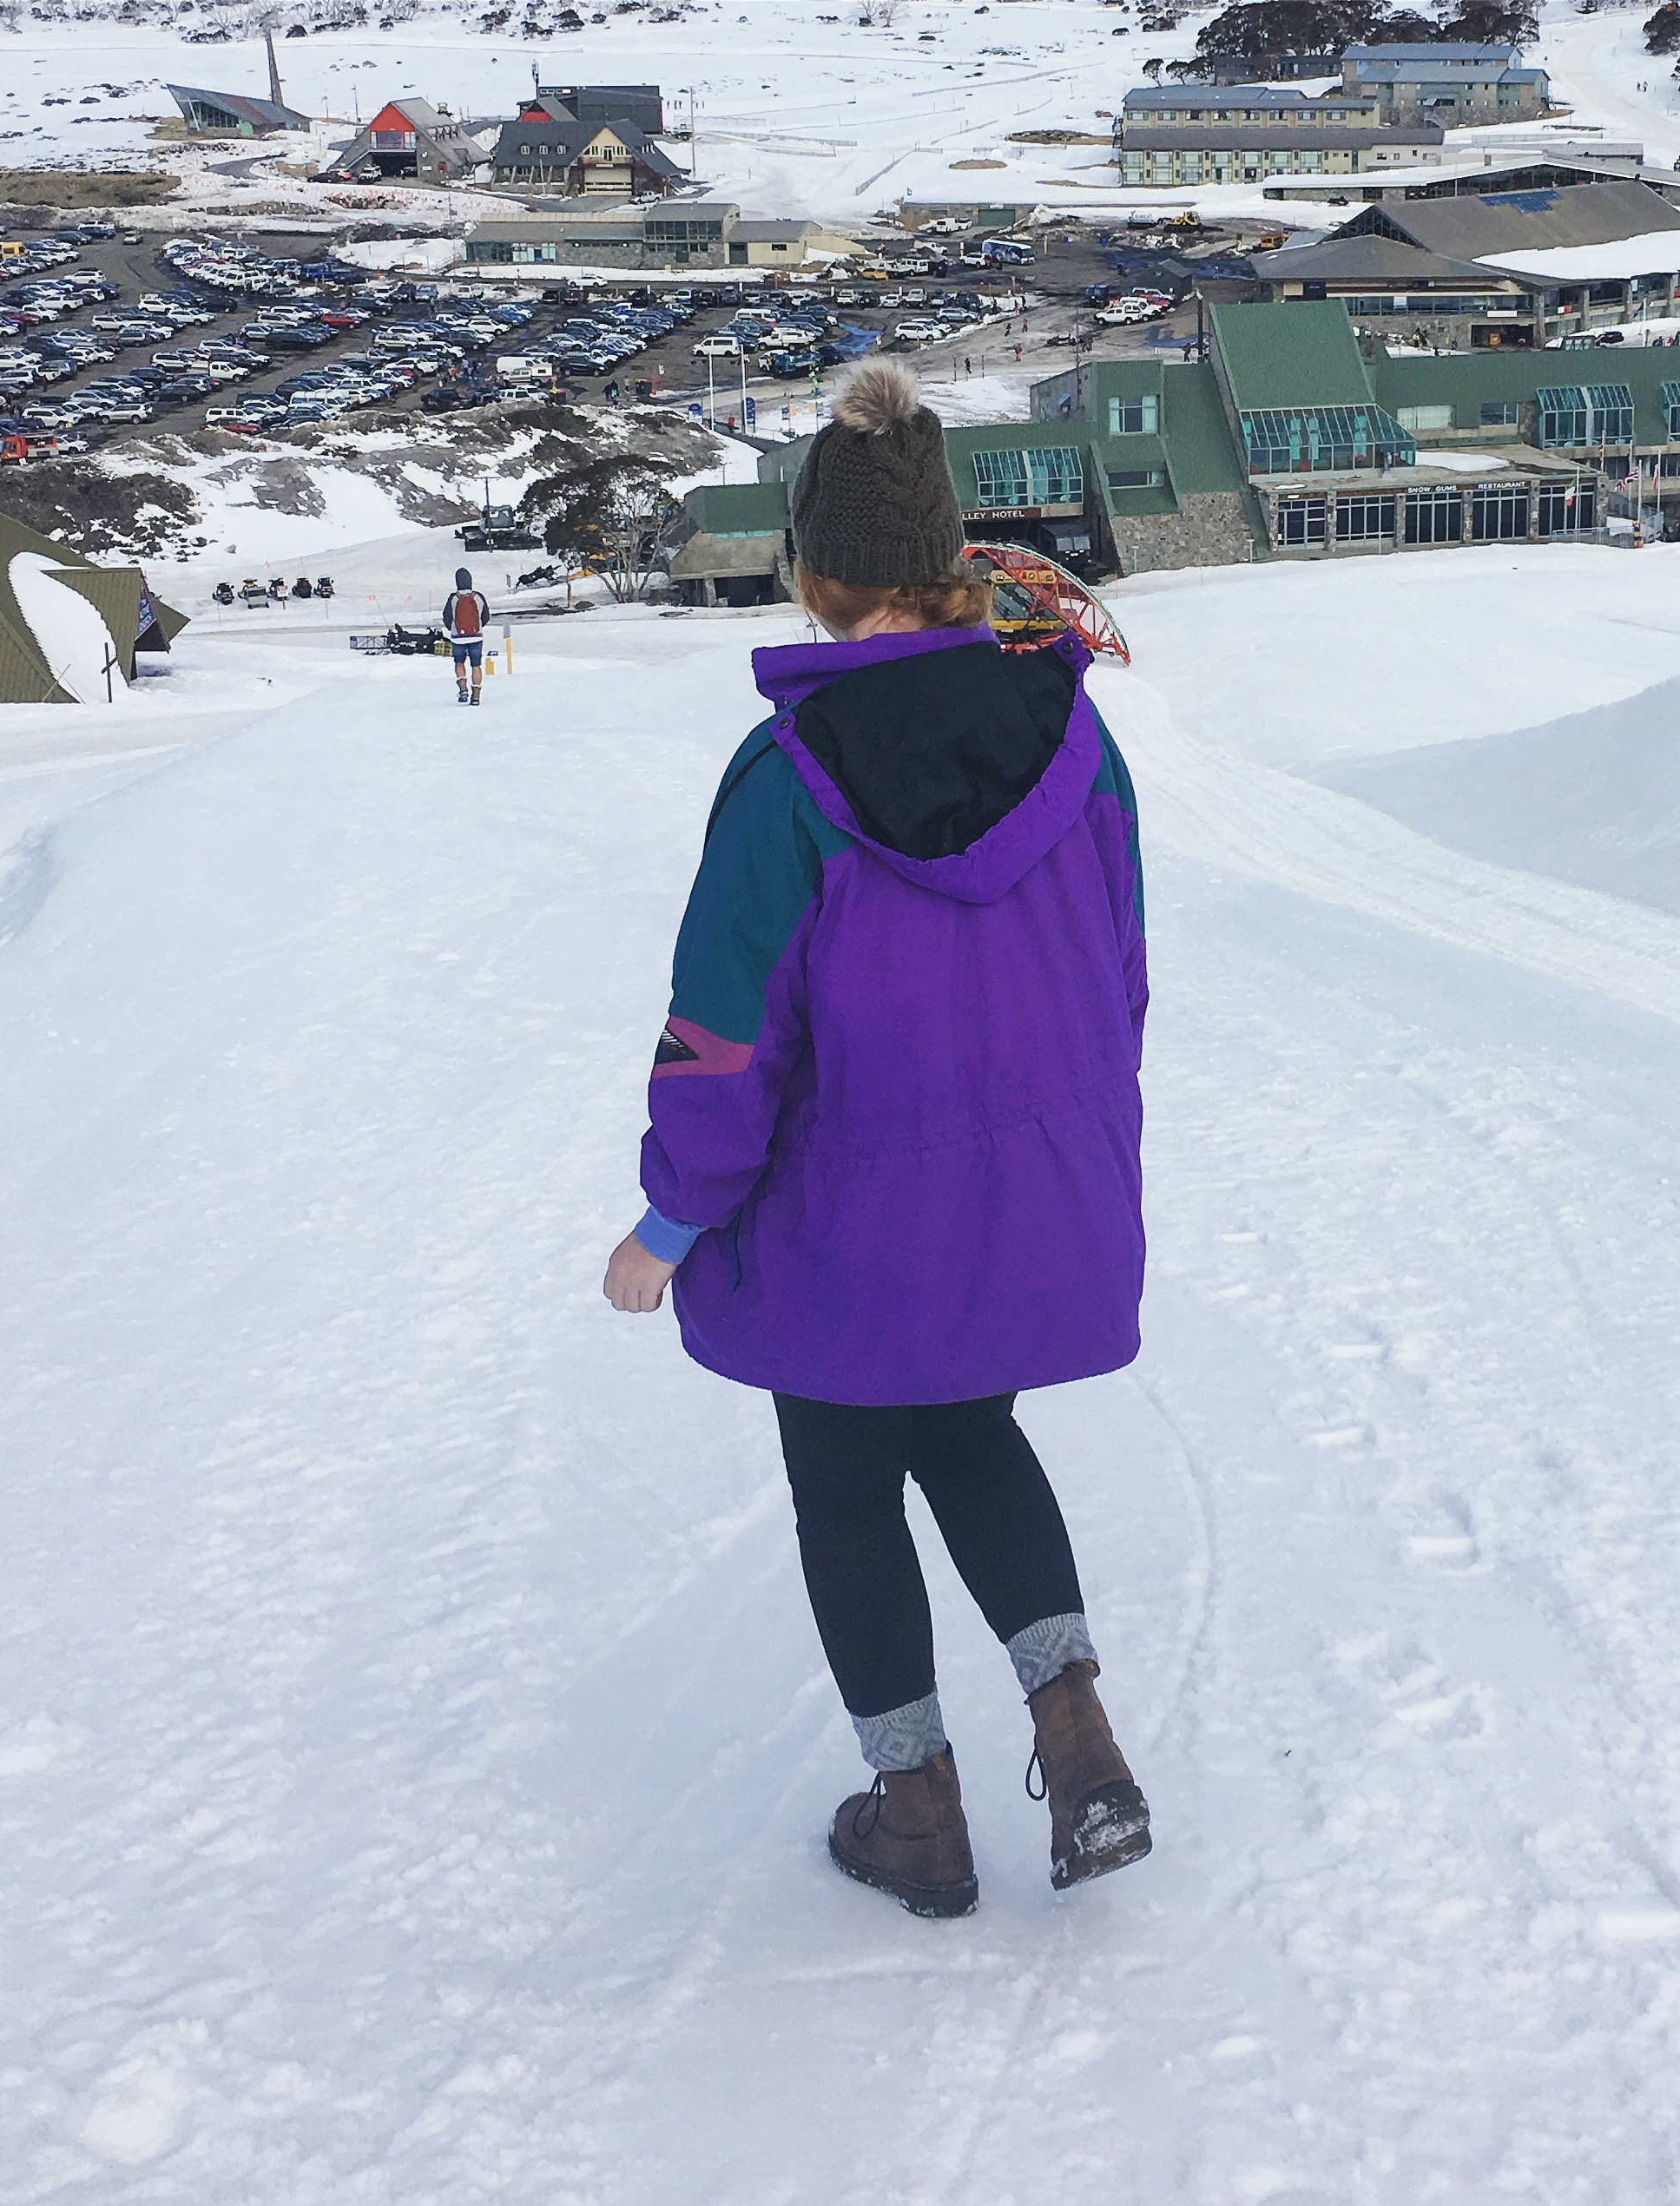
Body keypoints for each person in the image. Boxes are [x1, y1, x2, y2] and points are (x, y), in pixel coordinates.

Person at [602, 360, 1151, 1919]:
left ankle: (918, 1814)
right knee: (970, 1434)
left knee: (846, 1485)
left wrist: (669, 1223)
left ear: (820, 574)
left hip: (840, 1231)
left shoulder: (788, 779)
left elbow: (723, 1043)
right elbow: (1117, 980)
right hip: (1026, 1204)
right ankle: (1080, 1734)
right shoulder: (1077, 744)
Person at [442, 566, 491, 706]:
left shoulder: (453, 598)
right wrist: (477, 627)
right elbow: (486, 616)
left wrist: (453, 629)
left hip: (458, 637)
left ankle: (463, 690)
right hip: (476, 636)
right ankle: (476, 697)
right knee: (476, 665)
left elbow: (447, 617)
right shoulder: (478, 597)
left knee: (459, 662)